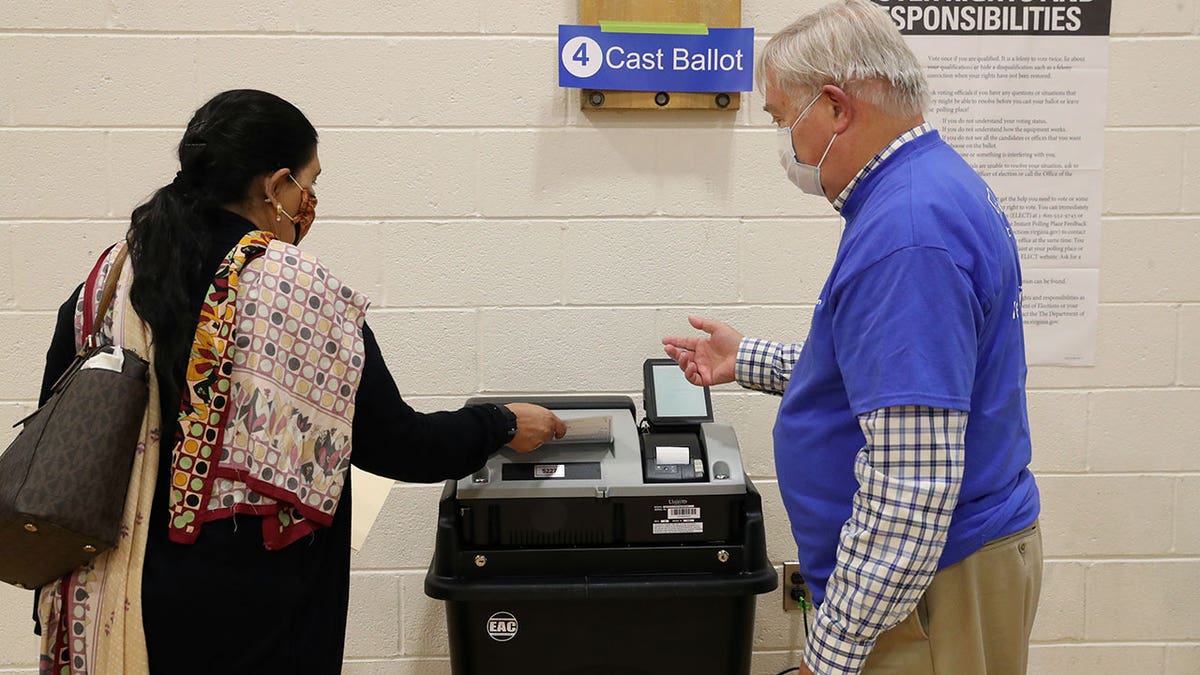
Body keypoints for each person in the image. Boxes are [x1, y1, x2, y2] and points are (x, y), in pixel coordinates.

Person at [32, 89, 566, 674]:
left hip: (106, 599)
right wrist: (503, 422)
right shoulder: (295, 290)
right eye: (309, 183)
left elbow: (60, 446)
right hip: (250, 610)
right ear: (276, 185)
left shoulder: (107, 281)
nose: (310, 201)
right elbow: (401, 444)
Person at [662, 2, 1041, 673]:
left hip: (932, 590)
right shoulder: (931, 184)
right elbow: (884, 375)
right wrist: (746, 359)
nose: (789, 148)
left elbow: (910, 486)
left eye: (783, 120)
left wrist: (828, 654)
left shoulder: (909, 231)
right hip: (948, 574)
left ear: (835, 108)